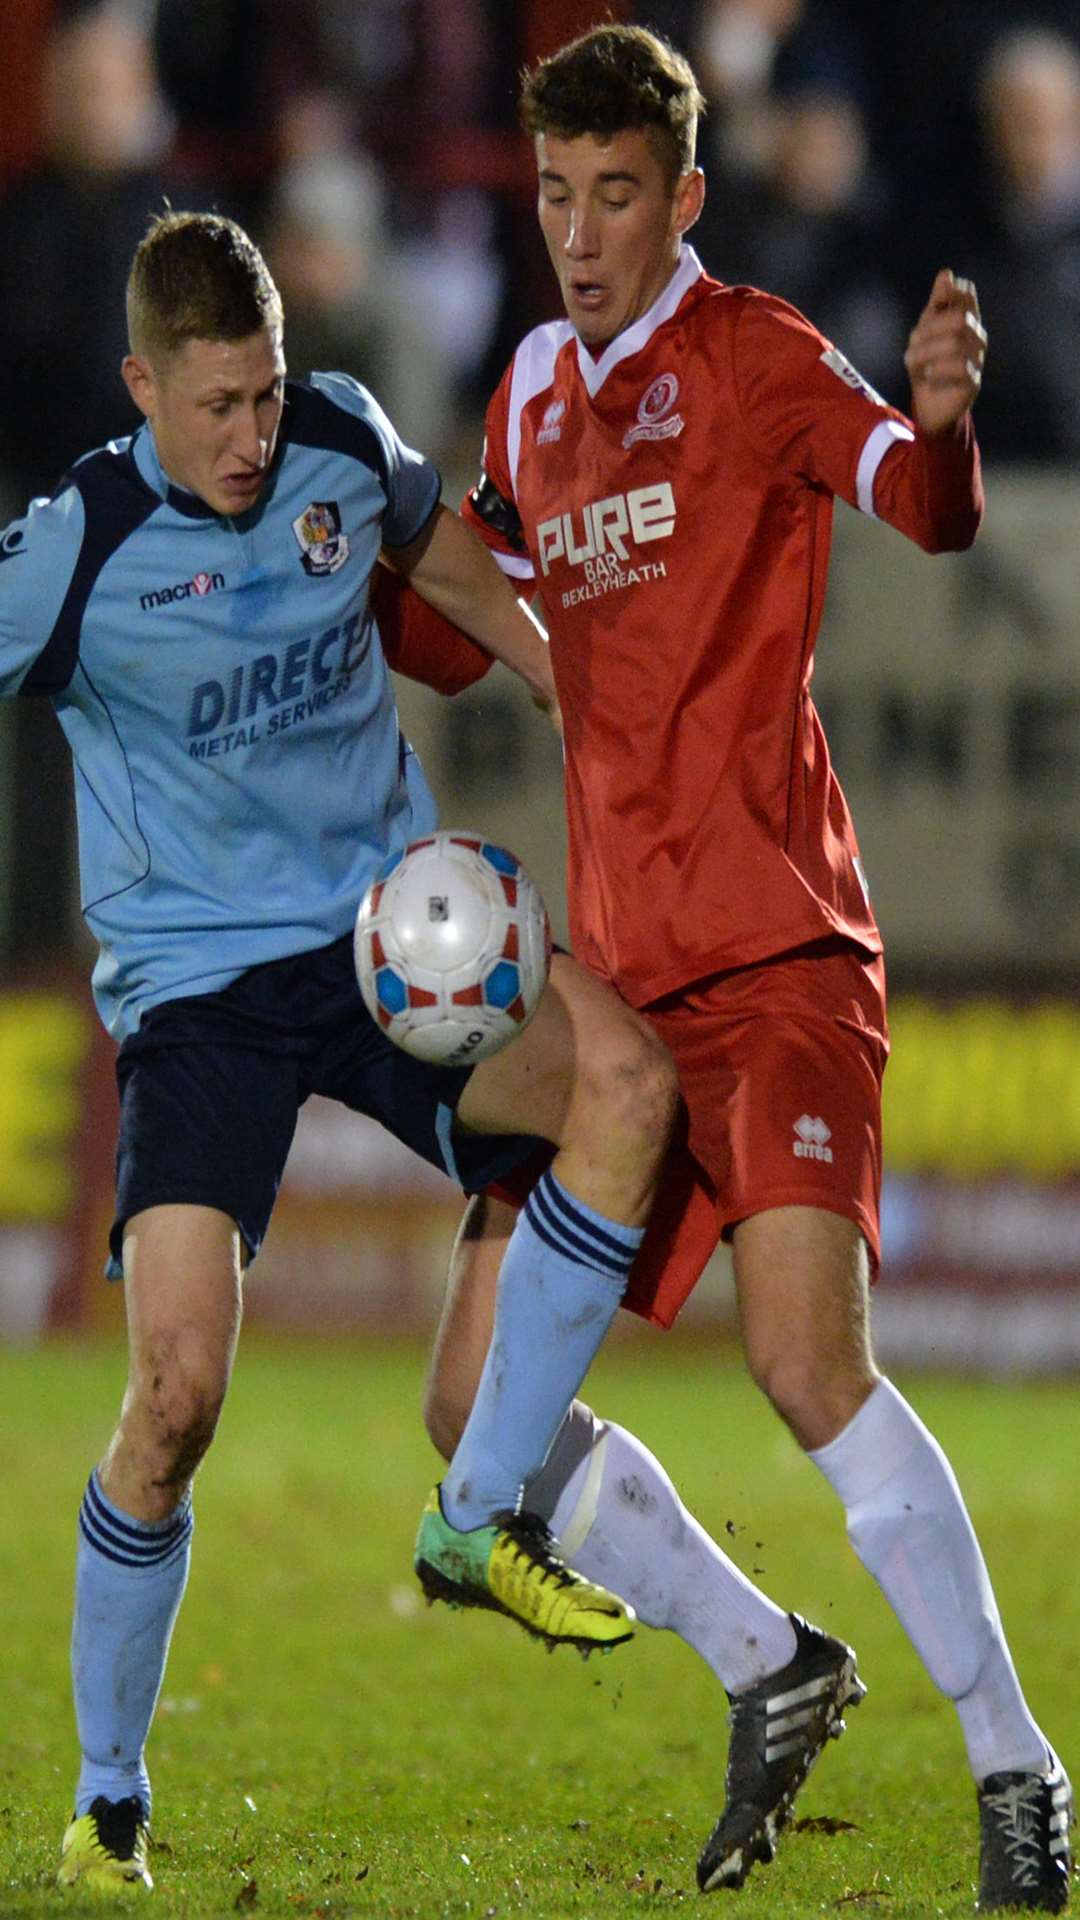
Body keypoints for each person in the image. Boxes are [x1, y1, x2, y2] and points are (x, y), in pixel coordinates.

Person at [414, 24, 1074, 1913]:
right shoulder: (532, 388)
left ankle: (1020, 1767)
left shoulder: (759, 357)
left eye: (618, 193)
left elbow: (919, 505)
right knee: (473, 1414)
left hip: (777, 949)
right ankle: (772, 1666)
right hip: (619, 996)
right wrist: (377, 568)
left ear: (684, 196)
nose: (581, 232)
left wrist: (943, 428)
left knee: (801, 1362)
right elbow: (497, 623)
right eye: (553, 196)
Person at [0, 208, 695, 1894]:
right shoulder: (71, 550)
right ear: (141, 387)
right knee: (172, 1398)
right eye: (216, 406)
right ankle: (108, 1793)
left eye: (267, 394)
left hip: (400, 944)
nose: (252, 438)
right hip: (199, 997)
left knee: (628, 1087)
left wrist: (570, 697)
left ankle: (475, 1497)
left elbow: (444, 554)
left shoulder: (339, 441)